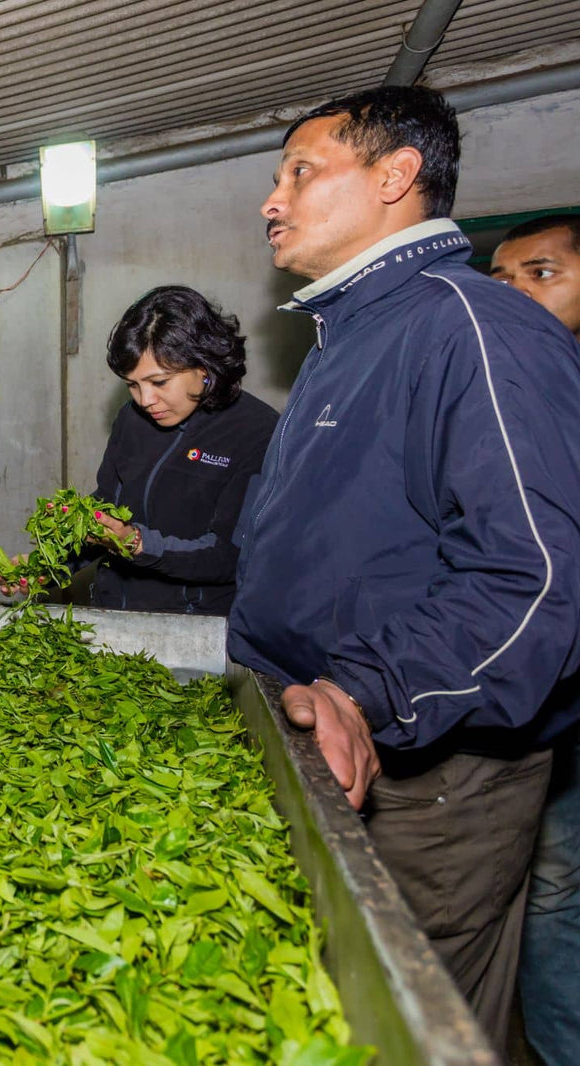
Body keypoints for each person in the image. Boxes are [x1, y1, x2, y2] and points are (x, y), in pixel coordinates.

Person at [227, 86, 580, 1047]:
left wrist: (369, 689)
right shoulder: (346, 340)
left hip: (430, 774)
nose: (272, 200)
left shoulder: (476, 328)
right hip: (327, 736)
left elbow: (535, 579)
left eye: (301, 171)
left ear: (396, 176)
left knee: (401, 1022)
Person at [491, 213, 580, 1065]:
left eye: (541, 273)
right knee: (553, 883)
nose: (515, 292)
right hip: (546, 696)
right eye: (503, 277)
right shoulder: (505, 389)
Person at [79, 286, 277, 614]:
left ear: (204, 366)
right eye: (132, 385)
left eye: (159, 382)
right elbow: (105, 510)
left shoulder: (256, 431)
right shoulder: (131, 419)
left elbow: (230, 554)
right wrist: (47, 564)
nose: (145, 400)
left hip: (196, 625)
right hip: (115, 613)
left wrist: (138, 543)